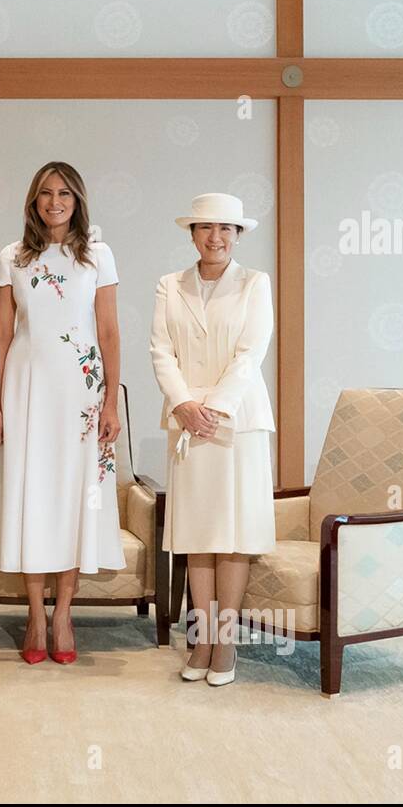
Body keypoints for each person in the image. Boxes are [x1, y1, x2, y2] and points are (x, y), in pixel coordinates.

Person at [0, 161, 125, 665]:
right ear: (33, 201)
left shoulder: (98, 256)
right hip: (26, 390)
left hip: (80, 396)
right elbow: (0, 333)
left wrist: (108, 403)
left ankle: (63, 613)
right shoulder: (12, 256)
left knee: (74, 499)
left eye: (64, 193)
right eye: (45, 193)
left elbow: (108, 333)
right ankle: (35, 614)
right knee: (30, 496)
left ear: (78, 201)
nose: (54, 201)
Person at [149, 192, 275, 687]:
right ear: (192, 234)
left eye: (225, 229)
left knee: (233, 534)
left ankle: (225, 641)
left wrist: (214, 408)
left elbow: (250, 353)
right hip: (186, 421)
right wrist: (184, 405)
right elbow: (161, 350)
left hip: (236, 419)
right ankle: (200, 638)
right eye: (205, 228)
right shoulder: (169, 284)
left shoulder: (255, 284)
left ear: (237, 235)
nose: (215, 237)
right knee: (197, 536)